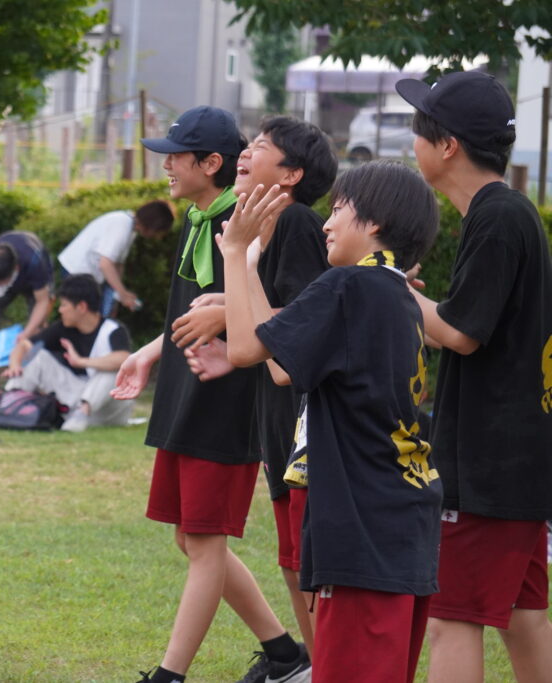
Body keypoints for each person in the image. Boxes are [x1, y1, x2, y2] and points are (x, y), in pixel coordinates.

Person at [220, 163, 441, 682]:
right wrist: (251, 268)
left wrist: (232, 252)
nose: (326, 222)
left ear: (376, 222)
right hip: (402, 520)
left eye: (339, 208)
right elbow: (279, 364)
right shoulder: (394, 295)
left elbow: (247, 349)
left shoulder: (349, 285)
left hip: (363, 525)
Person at [111, 106, 309, 683]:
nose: (166, 165)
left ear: (211, 162)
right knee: (189, 536)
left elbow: (260, 317)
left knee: (203, 539)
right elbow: (192, 312)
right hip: (185, 392)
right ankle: (283, 653)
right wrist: (151, 351)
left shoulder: (247, 224)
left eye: (175, 155)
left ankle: (170, 675)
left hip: (228, 400)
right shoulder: (201, 218)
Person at [395, 70, 552, 682]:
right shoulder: (506, 213)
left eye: (418, 131)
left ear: (447, 145)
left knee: (452, 619)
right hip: (519, 459)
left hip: (489, 465)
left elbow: (460, 331)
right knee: (522, 615)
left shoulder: (495, 217)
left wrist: (390, 287)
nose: (414, 144)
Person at [171, 115, 337, 661]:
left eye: (261, 148)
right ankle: (312, 666)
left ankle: (325, 667)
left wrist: (225, 312)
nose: (245, 153)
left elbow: (309, 322)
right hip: (275, 419)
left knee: (307, 570)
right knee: (293, 565)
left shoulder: (296, 227)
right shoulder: (260, 229)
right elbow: (266, 325)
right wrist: (229, 347)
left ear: (291, 175)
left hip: (305, 422)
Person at [1, 273, 133, 432]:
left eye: (64, 305)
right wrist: (15, 365)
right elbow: (23, 346)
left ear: (81, 307)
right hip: (77, 398)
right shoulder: (63, 327)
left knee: (113, 371)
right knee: (38, 357)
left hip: (109, 410)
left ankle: (81, 414)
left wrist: (81, 361)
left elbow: (124, 359)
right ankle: (9, 404)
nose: (61, 310)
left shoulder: (113, 330)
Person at [57, 201, 175, 315]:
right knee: (84, 319)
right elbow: (105, 264)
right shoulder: (122, 225)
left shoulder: (129, 227)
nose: (157, 237)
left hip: (87, 275)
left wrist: (119, 293)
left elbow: (118, 264)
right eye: (158, 232)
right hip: (76, 272)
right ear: (152, 225)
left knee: (95, 317)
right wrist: (122, 293)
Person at [0, 230, 54, 379]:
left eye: (2, 283)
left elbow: (42, 301)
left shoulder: (33, 261)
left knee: (38, 328)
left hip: (36, 286)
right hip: (3, 272)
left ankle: (30, 377)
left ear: (16, 270)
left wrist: (27, 332)